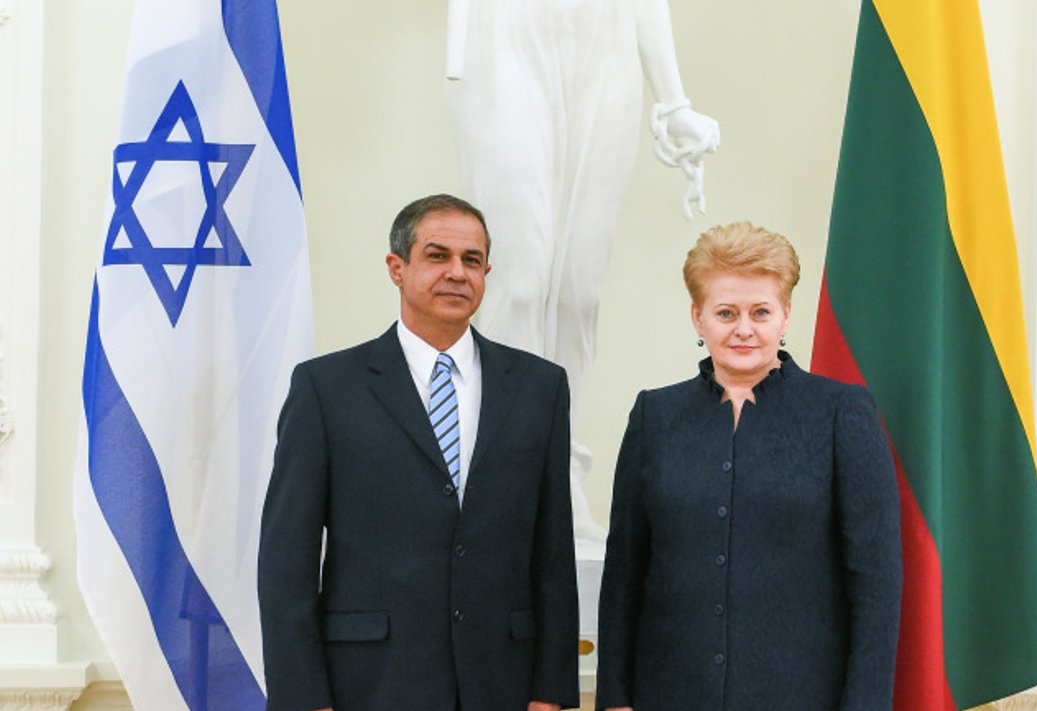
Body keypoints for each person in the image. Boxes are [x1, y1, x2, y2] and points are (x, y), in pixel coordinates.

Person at [258, 194, 580, 711]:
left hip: (503, 684)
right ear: (397, 268)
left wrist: (551, 691)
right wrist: (303, 698)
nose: (457, 272)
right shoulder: (326, 388)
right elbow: (285, 562)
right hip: (368, 684)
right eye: (437, 256)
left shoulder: (540, 389)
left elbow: (553, 553)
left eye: (471, 260)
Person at [442, 0, 721, 546]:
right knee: (519, 278)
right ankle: (503, 475)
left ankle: (560, 473)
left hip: (604, 41)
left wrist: (673, 99)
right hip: (506, 33)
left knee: (578, 288)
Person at [595, 222, 903, 710]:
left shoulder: (842, 413)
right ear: (698, 317)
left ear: (786, 315)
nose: (743, 329)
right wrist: (614, 697)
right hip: (669, 694)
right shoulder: (655, 416)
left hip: (803, 696)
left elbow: (877, 584)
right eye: (725, 313)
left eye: (761, 311)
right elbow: (625, 574)